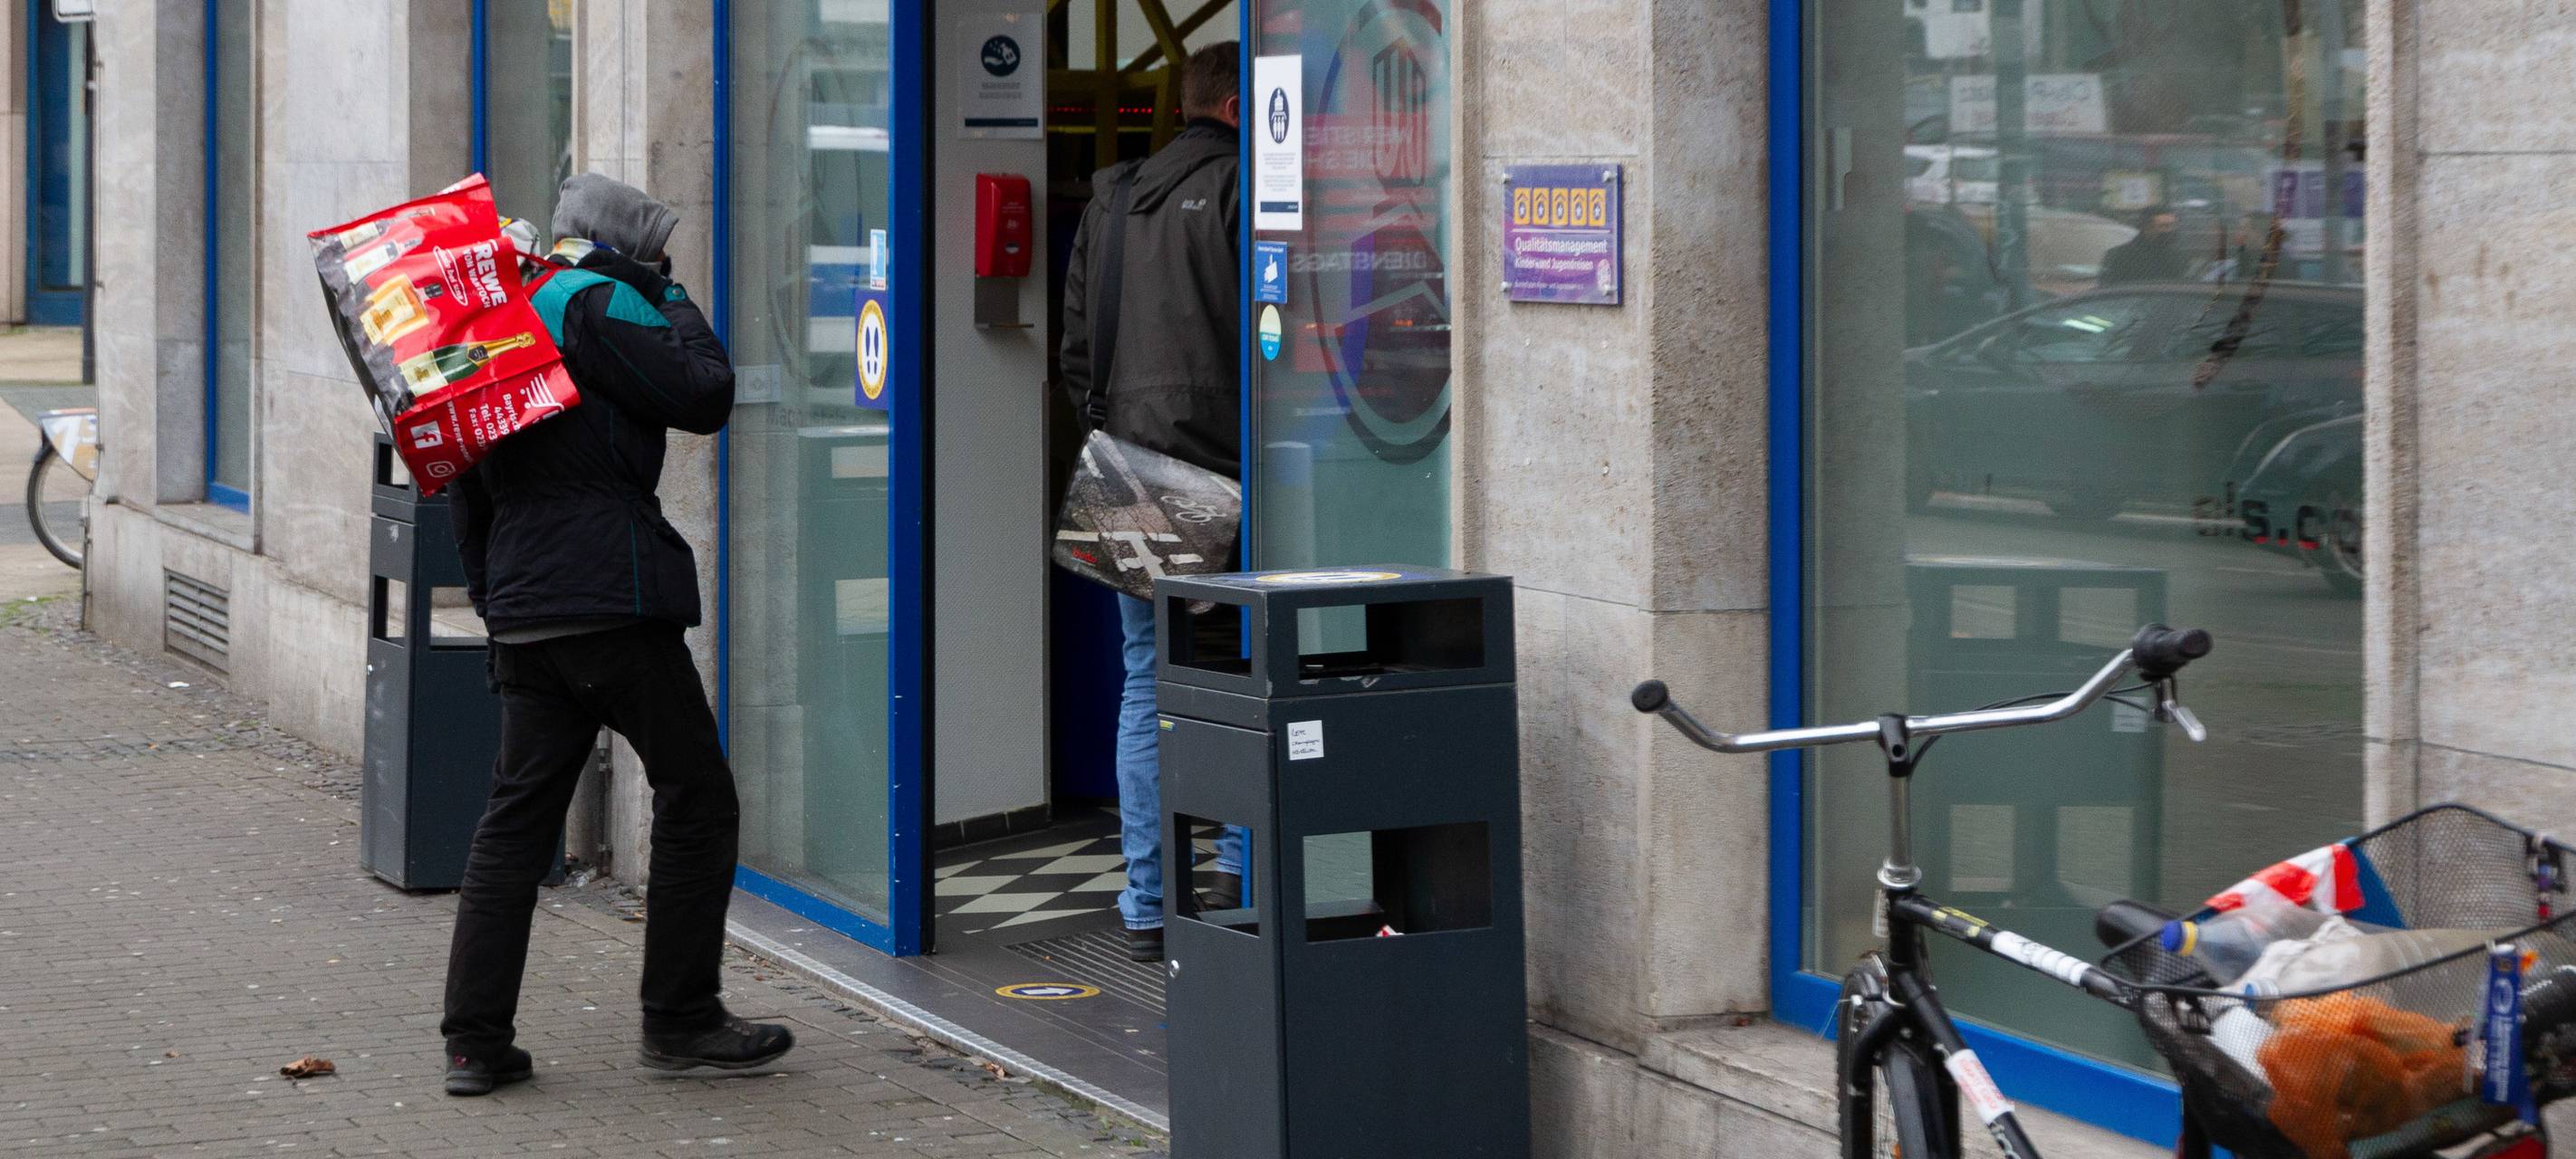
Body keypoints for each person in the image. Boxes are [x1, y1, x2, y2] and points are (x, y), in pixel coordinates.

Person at [438, 173, 790, 1096]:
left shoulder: (503, 319)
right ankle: (680, 1017)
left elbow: (465, 485)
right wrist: (672, 293)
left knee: (513, 823)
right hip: (608, 598)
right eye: (658, 253)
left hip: (527, 604)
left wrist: (495, 597)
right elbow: (706, 391)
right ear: (627, 248)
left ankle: (475, 1042)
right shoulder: (592, 304)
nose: (665, 271)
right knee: (698, 797)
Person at [1058, 43, 1248, 963]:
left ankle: (1146, 899)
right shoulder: (1250, 189)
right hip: (1234, 466)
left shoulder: (1114, 197)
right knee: (1253, 677)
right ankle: (1247, 879)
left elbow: (1077, 351)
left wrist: (1122, 436)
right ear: (1242, 103)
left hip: (1129, 461)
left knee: (1147, 683)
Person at [2098, 204, 2189, 286]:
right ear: (2147, 228)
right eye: (2164, 226)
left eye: (2172, 225)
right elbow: (2108, 289)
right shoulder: (2120, 256)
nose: (2169, 230)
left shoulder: (2178, 255)